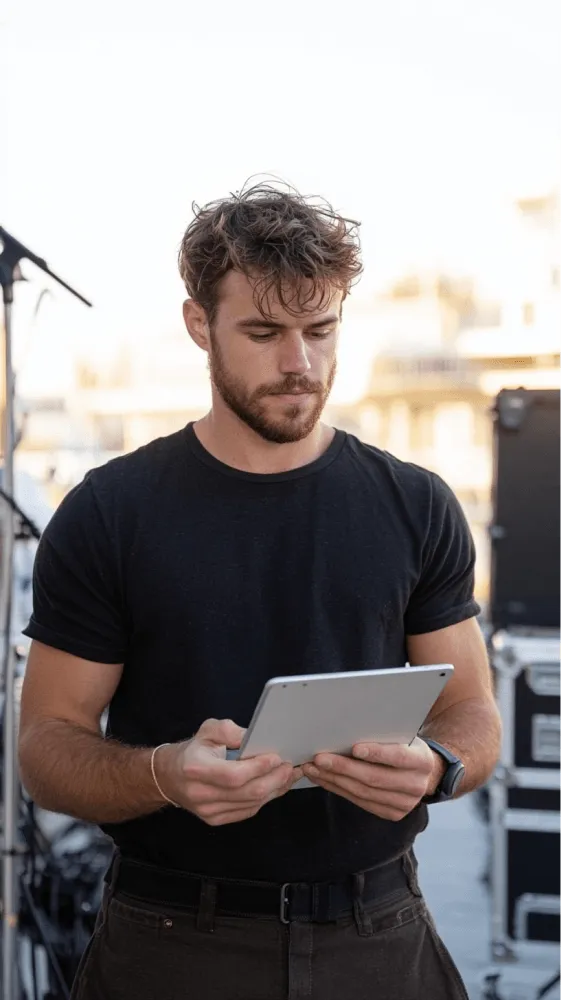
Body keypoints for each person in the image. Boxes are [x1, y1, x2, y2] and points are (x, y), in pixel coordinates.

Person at [18, 182, 501, 1000]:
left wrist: (436, 766)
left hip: (379, 935)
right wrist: (163, 774)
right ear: (198, 325)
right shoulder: (109, 513)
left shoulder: (415, 503)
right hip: (170, 941)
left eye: (320, 330)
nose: (299, 364)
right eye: (263, 332)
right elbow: (45, 750)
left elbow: (474, 717)